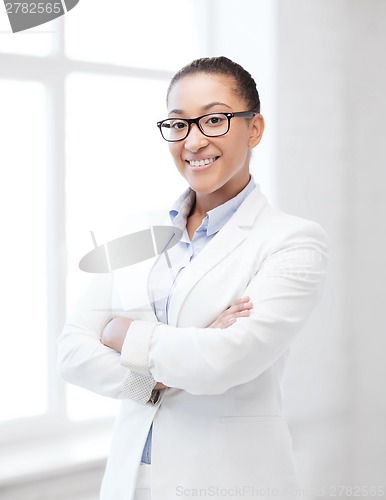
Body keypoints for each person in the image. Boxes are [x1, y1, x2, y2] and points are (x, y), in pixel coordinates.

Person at [57, 56, 328, 500]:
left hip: (226, 483)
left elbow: (225, 361)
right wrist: (167, 368)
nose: (194, 141)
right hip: (130, 482)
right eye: (179, 124)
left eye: (215, 120)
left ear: (254, 129)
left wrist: (124, 333)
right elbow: (71, 354)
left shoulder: (293, 241)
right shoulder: (134, 230)